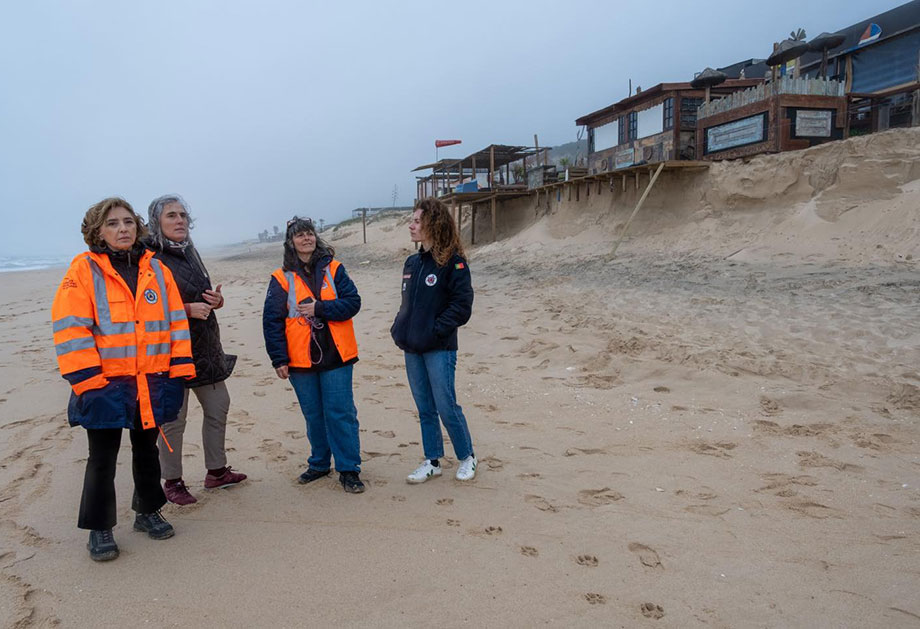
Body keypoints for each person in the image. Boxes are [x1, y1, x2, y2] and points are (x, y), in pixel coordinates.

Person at [51, 197, 194, 561]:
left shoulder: (157, 270)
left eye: (128, 222)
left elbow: (176, 324)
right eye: (113, 223)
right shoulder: (83, 270)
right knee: (102, 457)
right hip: (104, 384)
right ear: (98, 230)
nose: (123, 229)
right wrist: (87, 382)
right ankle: (100, 527)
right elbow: (71, 330)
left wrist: (178, 374)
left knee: (147, 449)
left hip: (152, 380)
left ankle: (147, 511)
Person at [146, 194, 246, 505]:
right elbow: (143, 309)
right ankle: (172, 481)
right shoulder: (148, 257)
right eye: (171, 216)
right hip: (169, 351)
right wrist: (185, 310)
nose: (179, 221)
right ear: (157, 223)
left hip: (205, 346)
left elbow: (202, 293)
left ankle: (216, 472)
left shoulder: (190, 251)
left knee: (218, 407)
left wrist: (217, 301)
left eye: (183, 216)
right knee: (174, 419)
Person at [262, 217, 365, 493]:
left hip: (337, 355)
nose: (306, 239)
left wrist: (320, 309)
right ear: (291, 242)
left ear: (315, 238)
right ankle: (319, 463)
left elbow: (353, 303)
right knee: (314, 415)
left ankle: (349, 469)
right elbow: (271, 321)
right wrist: (278, 358)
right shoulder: (280, 278)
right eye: (300, 235)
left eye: (309, 234)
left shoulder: (334, 268)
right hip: (300, 360)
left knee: (340, 413)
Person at [390, 198, 477, 484]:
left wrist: (435, 330)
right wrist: (399, 328)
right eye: (412, 220)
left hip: (439, 347)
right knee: (424, 406)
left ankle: (467, 457)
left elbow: (462, 306)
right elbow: (407, 303)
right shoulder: (412, 262)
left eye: (416, 221)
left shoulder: (454, 262)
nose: (411, 226)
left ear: (433, 224)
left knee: (445, 404)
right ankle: (433, 460)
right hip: (411, 347)